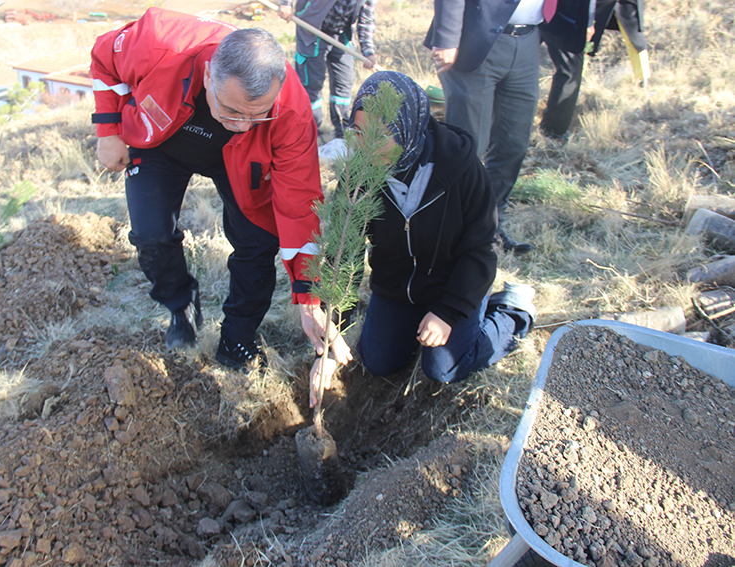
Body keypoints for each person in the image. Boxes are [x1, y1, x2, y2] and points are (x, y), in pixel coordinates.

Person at [90, 9, 352, 370]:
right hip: (162, 140)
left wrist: (308, 296)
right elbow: (105, 57)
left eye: (256, 114)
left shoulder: (289, 110)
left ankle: (237, 339)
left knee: (258, 240)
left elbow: (300, 204)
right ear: (209, 72)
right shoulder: (160, 42)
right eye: (230, 110)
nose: (242, 124)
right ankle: (180, 300)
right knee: (151, 236)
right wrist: (108, 130)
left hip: (238, 160)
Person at [310, 72, 536, 407]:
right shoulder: (357, 176)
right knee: (378, 361)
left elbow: (483, 247)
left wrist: (448, 311)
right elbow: (344, 253)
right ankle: (419, 321)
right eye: (357, 132)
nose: (365, 146)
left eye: (379, 134)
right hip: (398, 286)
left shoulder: (459, 167)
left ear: (407, 130)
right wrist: (330, 337)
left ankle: (511, 310)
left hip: (454, 283)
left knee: (443, 367)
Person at [423, 0, 561, 255]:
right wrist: (447, 36)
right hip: (474, 39)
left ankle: (490, 228)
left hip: (529, 38)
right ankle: (454, 231)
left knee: (514, 144)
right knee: (469, 146)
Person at [540, 0, 648, 141]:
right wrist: (589, 22)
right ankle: (553, 131)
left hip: (549, 11)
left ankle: (553, 130)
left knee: (568, 70)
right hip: (563, 11)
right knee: (569, 71)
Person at [278, 0, 378, 139]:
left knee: (344, 82)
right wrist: (286, 4)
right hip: (311, 28)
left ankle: (343, 135)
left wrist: (368, 51)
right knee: (311, 85)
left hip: (342, 34)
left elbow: (366, 19)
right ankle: (311, 134)